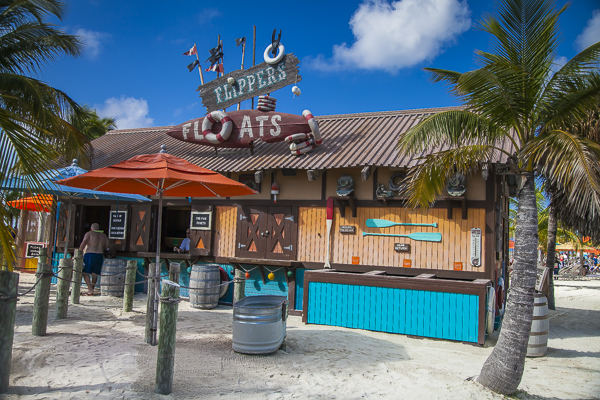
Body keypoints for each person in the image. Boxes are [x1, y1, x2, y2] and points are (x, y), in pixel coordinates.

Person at [79, 223, 109, 296]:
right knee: (94, 273)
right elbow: (107, 246)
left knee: (85, 272)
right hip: (99, 254)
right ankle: (91, 289)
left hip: (90, 254)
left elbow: (83, 243)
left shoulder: (89, 234)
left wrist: (79, 252)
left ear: (91, 228)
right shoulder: (104, 236)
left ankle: (90, 289)